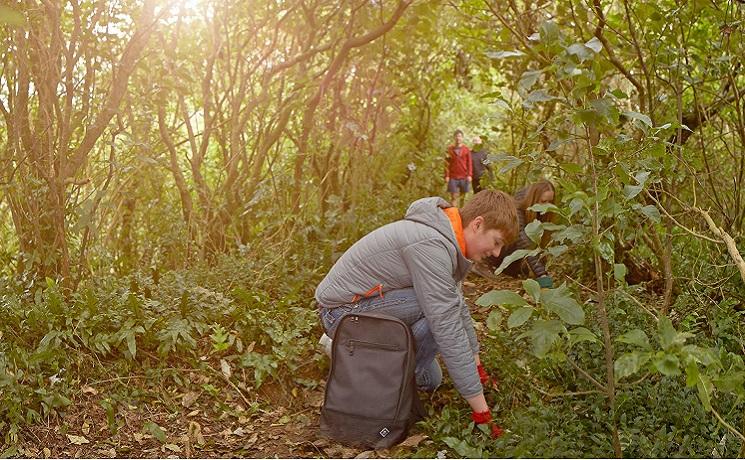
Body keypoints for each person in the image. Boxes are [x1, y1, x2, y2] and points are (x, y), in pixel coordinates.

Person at [316, 190, 519, 438]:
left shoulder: (448, 241)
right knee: (438, 311)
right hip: (341, 313)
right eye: (496, 242)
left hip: (372, 309)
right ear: (477, 224)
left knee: (429, 379)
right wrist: (482, 414)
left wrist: (478, 370)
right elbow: (447, 322)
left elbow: (459, 307)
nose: (497, 253)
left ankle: (362, 358)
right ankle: (350, 350)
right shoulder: (429, 243)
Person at [484, 180, 556, 288]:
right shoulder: (518, 209)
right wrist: (541, 274)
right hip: (500, 252)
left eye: (550, 202)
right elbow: (522, 240)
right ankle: (484, 264)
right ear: (534, 199)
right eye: (543, 201)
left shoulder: (542, 213)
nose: (547, 206)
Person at [444, 129, 472, 207]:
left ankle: (462, 214)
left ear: (462, 138)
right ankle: (454, 214)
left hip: (464, 176)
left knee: (462, 197)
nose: (458, 138)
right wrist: (447, 176)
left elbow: (469, 163)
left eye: (460, 136)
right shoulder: (449, 149)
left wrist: (470, 175)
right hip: (453, 176)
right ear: (454, 137)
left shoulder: (466, 149)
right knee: (453, 197)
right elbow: (446, 164)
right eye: (456, 136)